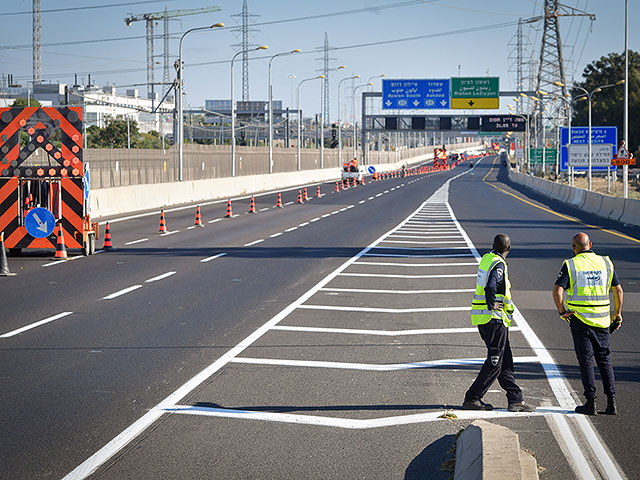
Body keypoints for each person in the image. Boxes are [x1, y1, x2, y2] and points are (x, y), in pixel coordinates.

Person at [552, 232, 623, 415]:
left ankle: (590, 402)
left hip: (580, 320)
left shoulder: (571, 264)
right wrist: (617, 313)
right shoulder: (606, 262)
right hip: (602, 320)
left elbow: (557, 291)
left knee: (586, 361)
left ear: (574, 248)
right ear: (590, 245)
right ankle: (611, 402)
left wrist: (562, 311)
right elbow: (618, 291)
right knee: (604, 360)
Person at [463, 234, 535, 412]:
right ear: (508, 249)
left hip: (487, 318)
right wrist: (491, 304)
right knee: (495, 360)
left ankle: (515, 399)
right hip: (493, 318)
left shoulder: (487, 258)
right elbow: (491, 285)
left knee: (505, 360)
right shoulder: (499, 264)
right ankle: (472, 398)